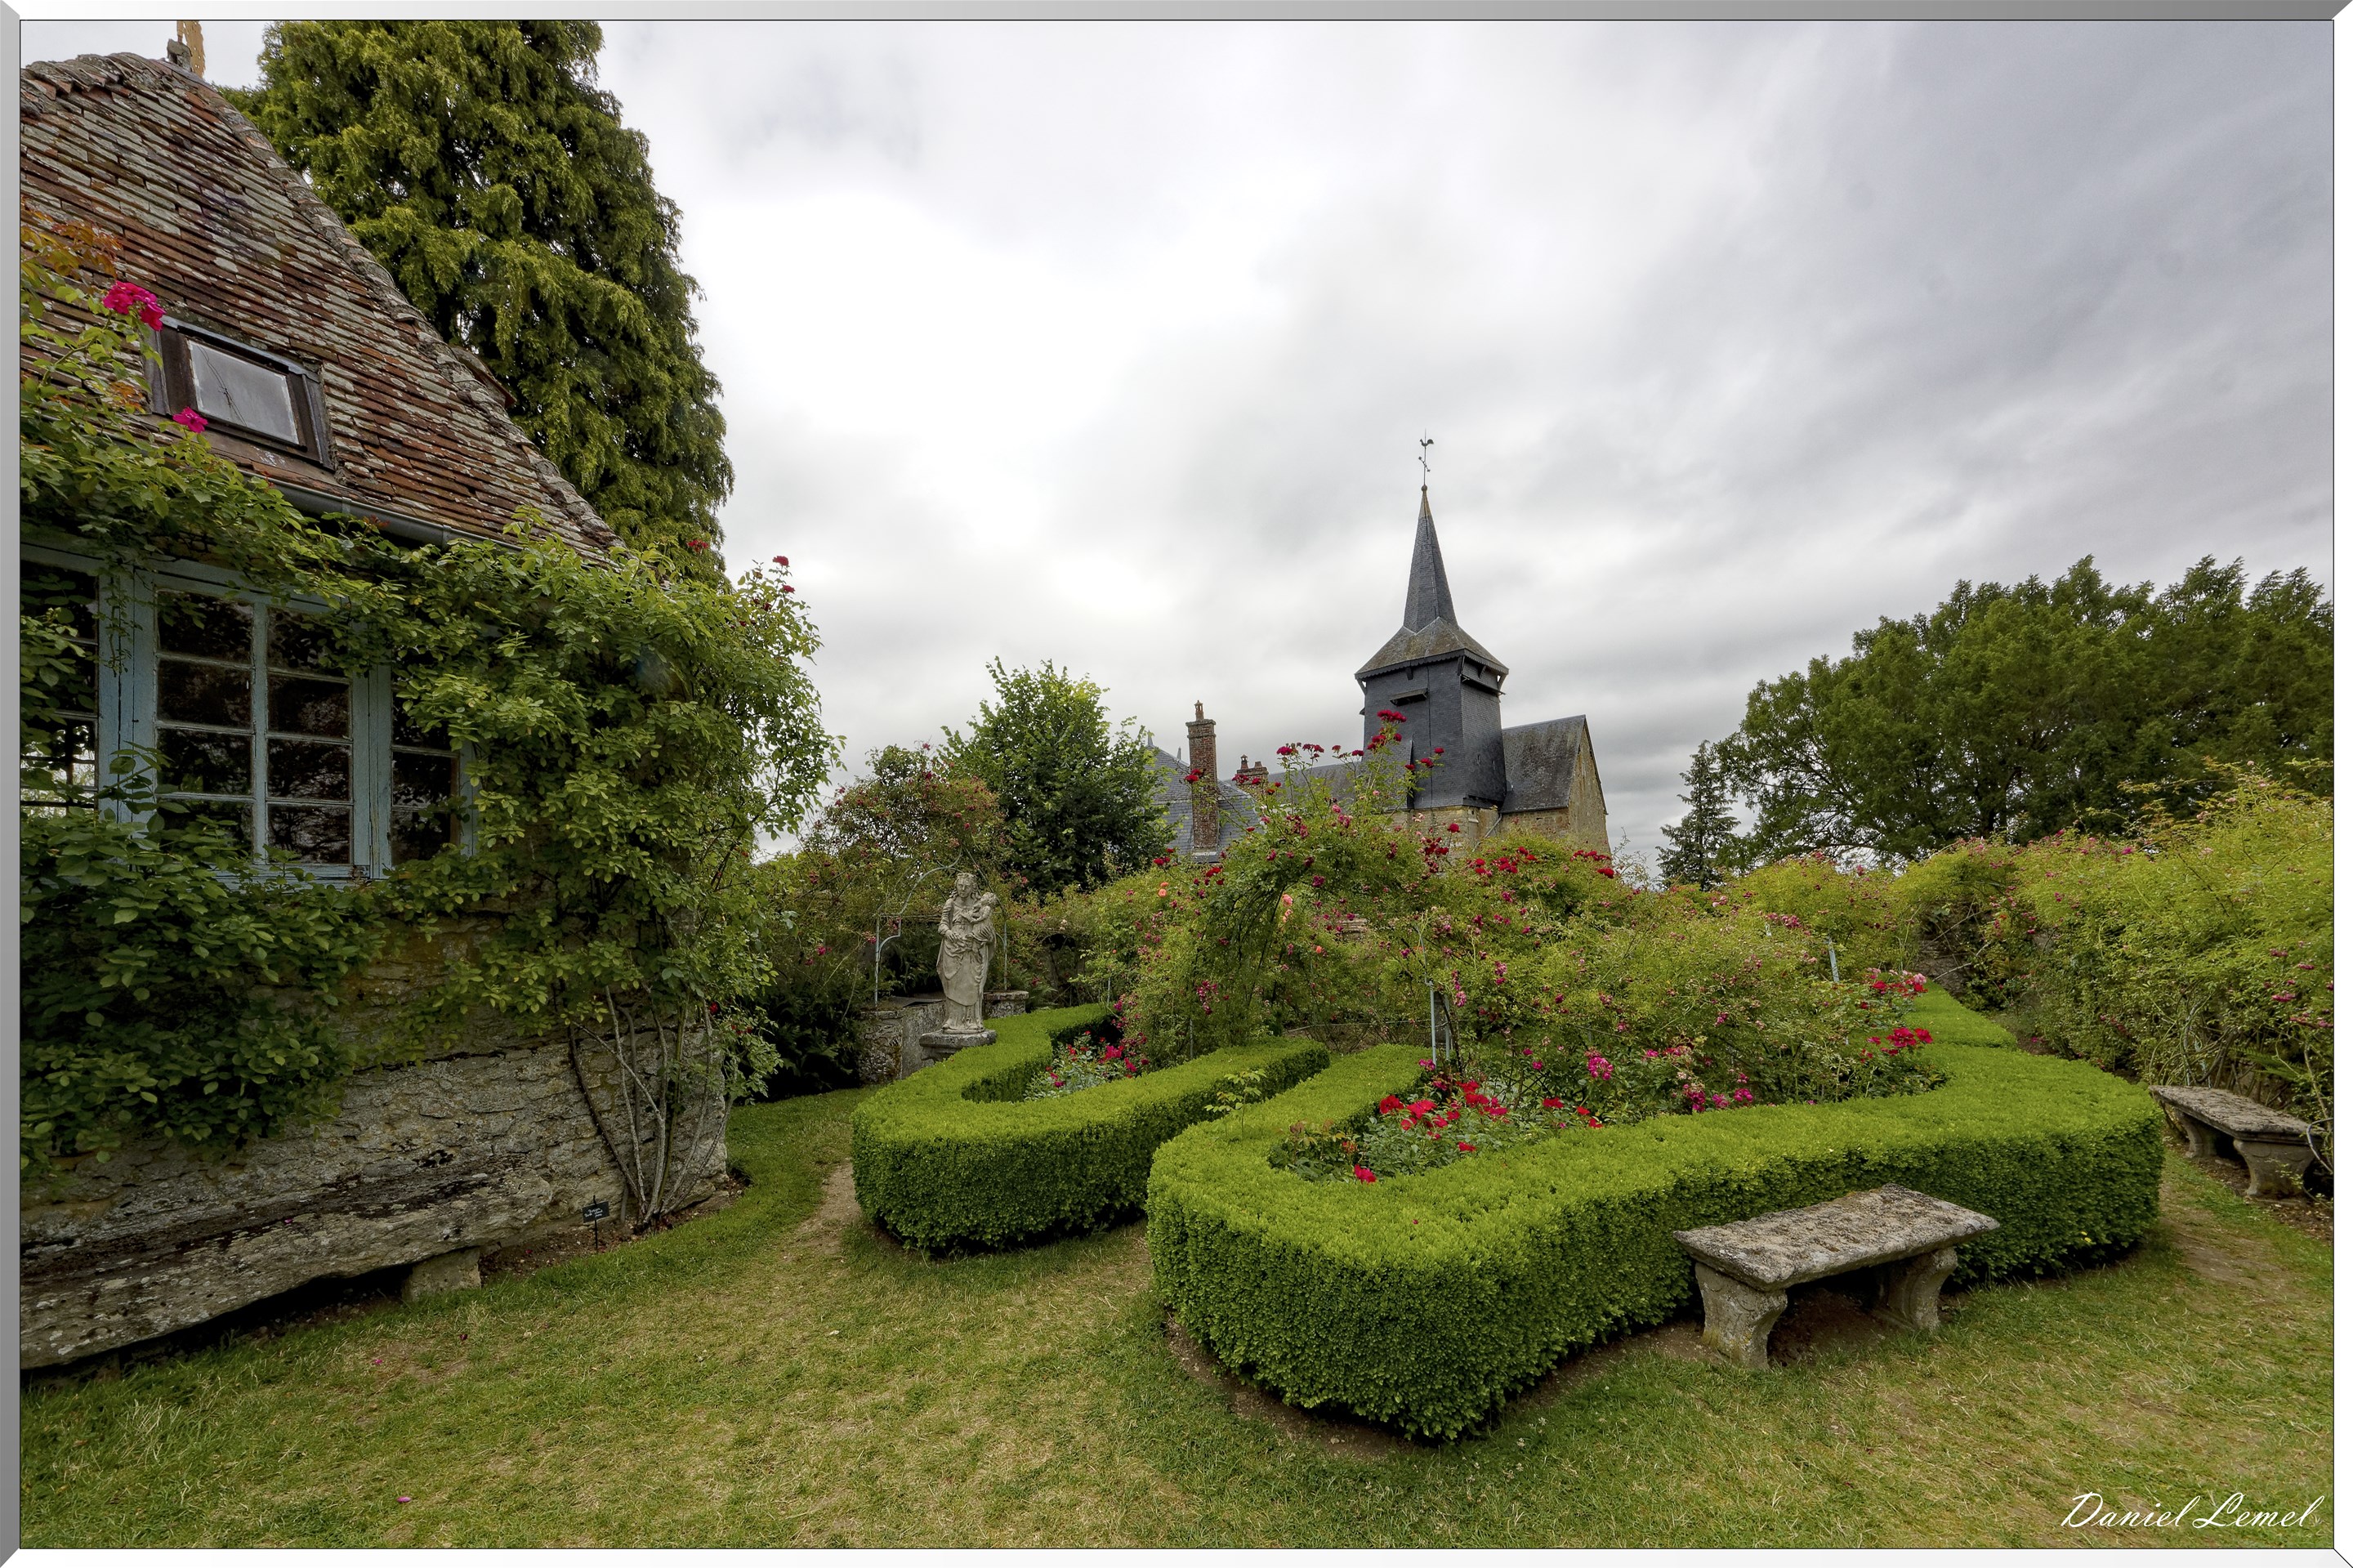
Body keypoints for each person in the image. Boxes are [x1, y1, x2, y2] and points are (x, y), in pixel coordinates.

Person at [935, 871, 999, 1034]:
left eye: (966, 886)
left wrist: (984, 938)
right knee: (953, 984)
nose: (963, 889)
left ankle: (971, 1020)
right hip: (952, 947)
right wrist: (948, 933)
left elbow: (988, 928)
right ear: (956, 886)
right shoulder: (950, 903)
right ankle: (953, 1020)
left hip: (972, 949)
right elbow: (942, 925)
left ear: (973, 888)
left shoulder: (981, 905)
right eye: (960, 886)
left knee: (972, 984)